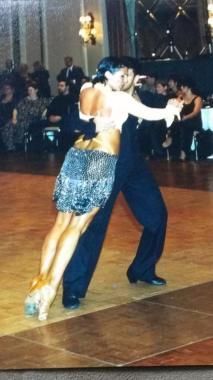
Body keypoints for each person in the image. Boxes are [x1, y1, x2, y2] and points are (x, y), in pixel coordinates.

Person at [24, 56, 181, 321]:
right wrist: (172, 106)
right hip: (102, 162)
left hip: (78, 158)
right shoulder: (120, 98)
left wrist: (93, 125)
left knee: (61, 225)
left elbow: (82, 120)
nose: (125, 79)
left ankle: (40, 283)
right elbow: (155, 113)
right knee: (79, 228)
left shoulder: (86, 89)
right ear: (109, 75)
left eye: (127, 75)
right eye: (121, 75)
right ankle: (55, 288)